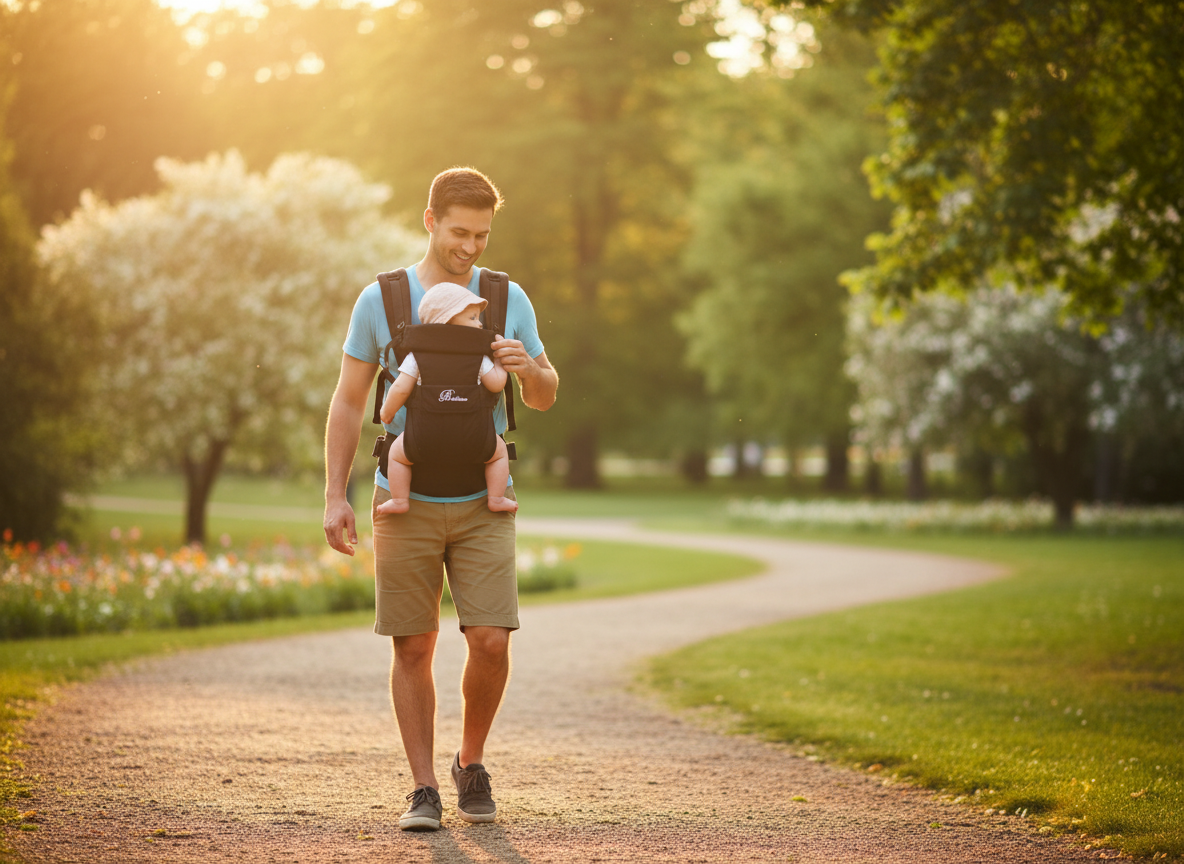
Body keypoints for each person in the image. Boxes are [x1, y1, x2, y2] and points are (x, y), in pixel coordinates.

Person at [322, 167, 558, 832]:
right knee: (413, 646)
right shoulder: (383, 299)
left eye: (482, 235)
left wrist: (528, 369)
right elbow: (349, 401)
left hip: (485, 497)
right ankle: (423, 787)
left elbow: (544, 393)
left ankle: (470, 763)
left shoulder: (506, 297)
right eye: (459, 232)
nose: (470, 247)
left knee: (490, 639)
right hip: (405, 495)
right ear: (429, 220)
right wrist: (335, 495)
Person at [375, 282, 518, 516]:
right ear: (446, 320)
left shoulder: (417, 357)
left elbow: (400, 388)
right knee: (499, 452)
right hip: (475, 438)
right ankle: (496, 498)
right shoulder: (478, 358)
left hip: (422, 438)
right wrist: (500, 363)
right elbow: (496, 384)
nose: (480, 324)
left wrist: (387, 412)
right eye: (472, 317)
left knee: (397, 456)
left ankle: (399, 500)